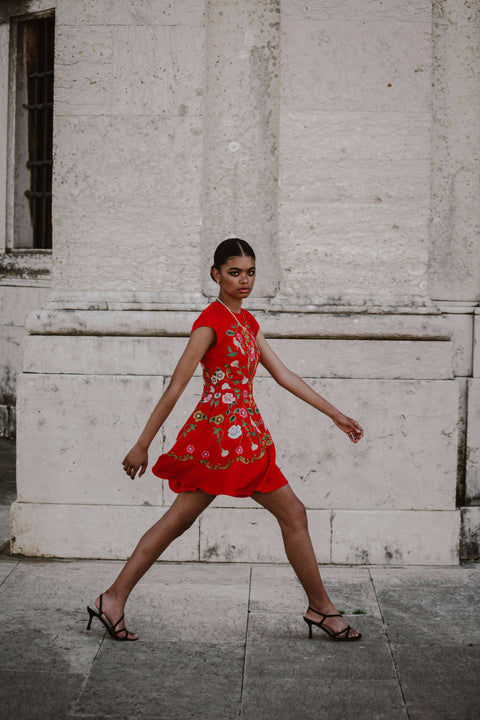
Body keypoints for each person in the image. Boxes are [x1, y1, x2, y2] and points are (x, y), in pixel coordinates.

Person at [87, 238, 364, 643]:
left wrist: (335, 414)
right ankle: (321, 608)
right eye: (234, 272)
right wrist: (143, 443)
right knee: (291, 514)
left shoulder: (247, 323)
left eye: (250, 272)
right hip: (222, 440)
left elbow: (283, 375)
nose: (244, 280)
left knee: (180, 521)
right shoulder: (210, 322)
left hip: (244, 437)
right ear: (215, 274)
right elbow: (176, 387)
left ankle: (112, 598)